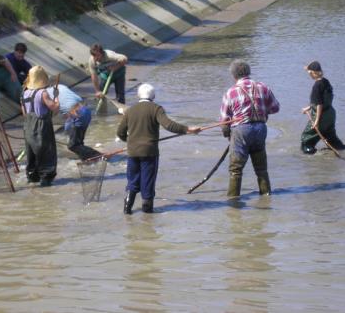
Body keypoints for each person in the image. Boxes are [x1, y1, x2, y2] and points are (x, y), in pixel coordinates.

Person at [117, 83, 201, 214]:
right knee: (147, 182)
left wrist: (129, 142)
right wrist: (187, 129)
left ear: (138, 95)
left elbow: (120, 132)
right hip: (149, 152)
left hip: (133, 152)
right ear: (153, 96)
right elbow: (169, 125)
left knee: (133, 181)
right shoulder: (156, 109)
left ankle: (127, 210)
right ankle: (148, 214)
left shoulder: (130, 110)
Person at [220, 60, 280, 197]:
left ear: (233, 76)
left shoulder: (230, 92)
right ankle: (266, 195)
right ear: (249, 72)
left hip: (241, 130)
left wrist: (227, 134)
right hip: (260, 128)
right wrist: (262, 111)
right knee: (261, 168)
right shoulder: (263, 87)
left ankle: (234, 201)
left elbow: (224, 120)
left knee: (236, 169)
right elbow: (275, 108)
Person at [21, 66, 59, 187]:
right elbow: (55, 108)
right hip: (42, 125)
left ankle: (32, 177)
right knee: (46, 151)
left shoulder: (23, 94)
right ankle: (46, 178)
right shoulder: (43, 93)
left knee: (31, 152)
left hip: (28, 126)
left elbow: (24, 113)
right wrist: (56, 97)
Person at [300, 61, 345, 154]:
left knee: (306, 139)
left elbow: (319, 104)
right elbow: (322, 100)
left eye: (309, 73)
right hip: (330, 114)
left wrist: (316, 121)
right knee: (330, 136)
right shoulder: (325, 81)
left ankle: (310, 156)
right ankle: (342, 149)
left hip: (321, 115)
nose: (309, 75)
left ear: (314, 73)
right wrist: (309, 108)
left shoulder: (316, 86)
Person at [46, 83, 101, 160]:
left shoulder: (44, 94)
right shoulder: (60, 86)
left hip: (76, 114)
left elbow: (53, 112)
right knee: (77, 141)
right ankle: (86, 159)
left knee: (73, 145)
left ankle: (98, 156)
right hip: (85, 110)